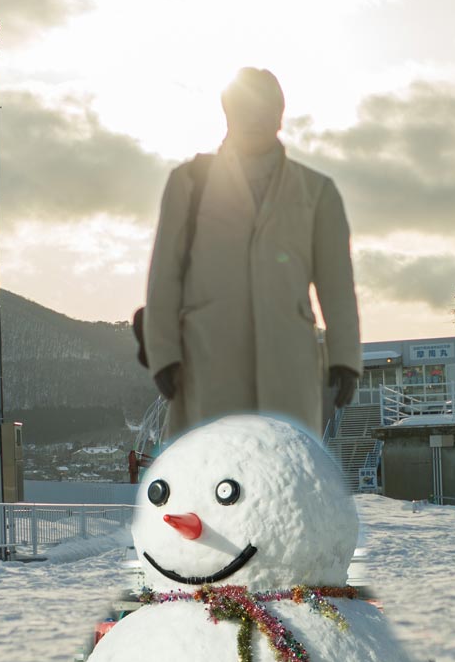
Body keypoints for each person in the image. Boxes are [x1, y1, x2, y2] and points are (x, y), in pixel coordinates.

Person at [142, 68, 360, 437]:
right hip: (207, 362)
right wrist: (163, 354)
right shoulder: (189, 184)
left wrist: (344, 357)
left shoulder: (317, 191)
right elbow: (164, 275)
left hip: (289, 366)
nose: (255, 118)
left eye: (265, 108)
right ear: (226, 112)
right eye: (245, 107)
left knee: (283, 480)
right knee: (213, 480)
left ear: (280, 113)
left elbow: (336, 283)